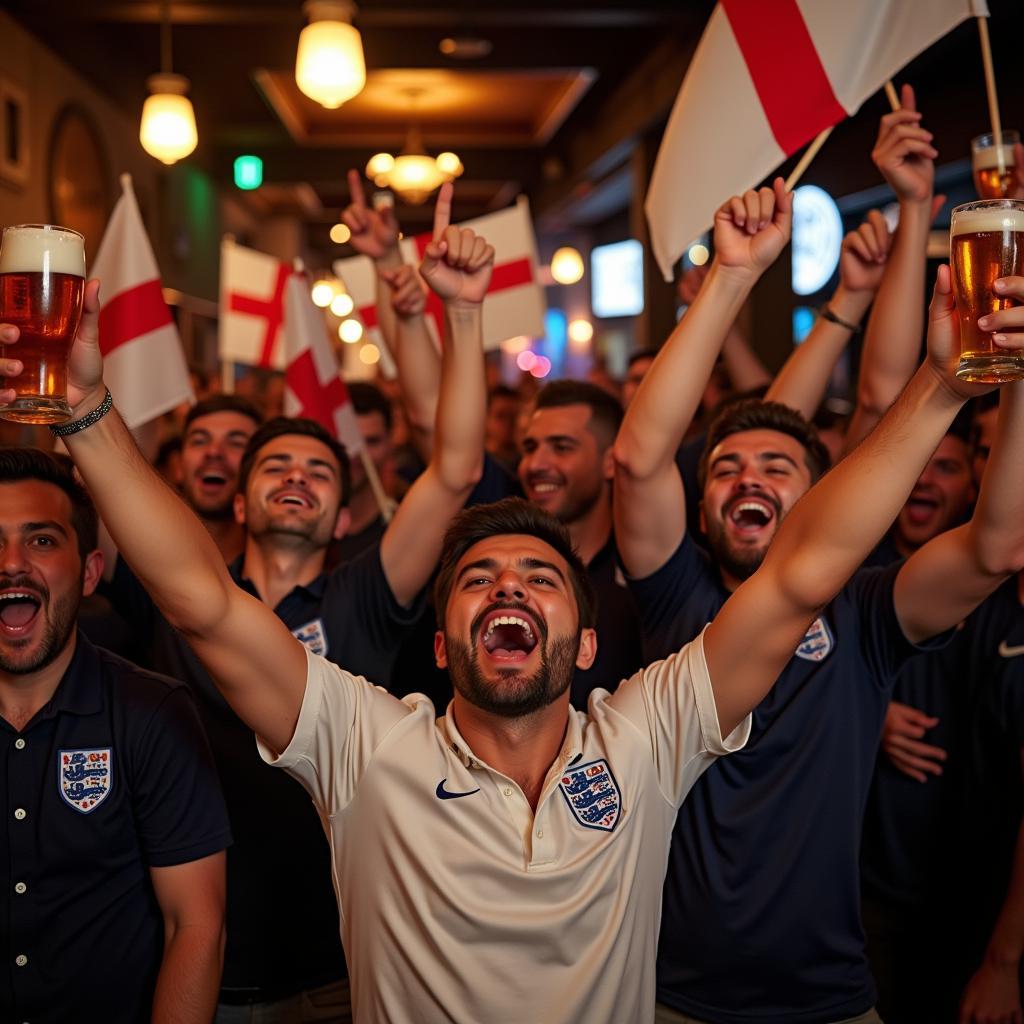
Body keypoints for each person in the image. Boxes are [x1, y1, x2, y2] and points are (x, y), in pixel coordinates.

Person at [12, 178, 1020, 1023]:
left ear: (588, 645)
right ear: (441, 645)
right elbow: (201, 602)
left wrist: (941, 384)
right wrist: (87, 415)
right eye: (478, 581)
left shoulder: (649, 733)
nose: (508, 587)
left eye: (542, 578)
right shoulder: (367, 746)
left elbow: (805, 570)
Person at [612, 177, 1024, 1024]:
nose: (748, 478)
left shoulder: (867, 612)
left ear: (822, 503)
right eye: (725, 468)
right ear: (700, 509)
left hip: (829, 999)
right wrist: (731, 276)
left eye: (777, 469)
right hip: (667, 996)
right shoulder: (673, 593)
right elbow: (641, 461)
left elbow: (995, 548)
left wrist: (1017, 375)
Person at [99, 183, 489, 1020]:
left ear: (345, 514)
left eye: (319, 471)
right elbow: (108, 497)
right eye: (273, 466)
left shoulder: (368, 592)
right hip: (187, 956)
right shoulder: (184, 589)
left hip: (337, 964)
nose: (296, 478)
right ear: (237, 504)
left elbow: (455, 468)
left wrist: (461, 316)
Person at [0, 448, 230, 1023]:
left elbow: (195, 926)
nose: (11, 563)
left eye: (43, 540)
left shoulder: (152, 713)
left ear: (90, 571)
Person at [518, 379, 643, 703]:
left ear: (610, 461)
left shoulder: (644, 570)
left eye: (561, 447)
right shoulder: (508, 574)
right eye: (530, 448)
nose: (536, 465)